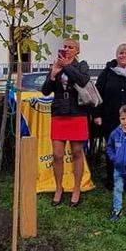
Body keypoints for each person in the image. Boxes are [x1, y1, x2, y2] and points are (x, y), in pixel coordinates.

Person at [40, 39, 91, 207]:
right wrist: (53, 74)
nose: (67, 49)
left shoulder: (81, 65)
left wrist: (66, 66)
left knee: (77, 152)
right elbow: (46, 91)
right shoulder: (57, 65)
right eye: (65, 47)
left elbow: (82, 80)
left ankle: (76, 189)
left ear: (77, 51)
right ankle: (58, 188)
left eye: (71, 47)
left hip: (77, 113)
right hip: (59, 113)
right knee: (57, 154)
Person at [94, 44, 126, 189]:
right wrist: (97, 114)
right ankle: (112, 180)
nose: (124, 56)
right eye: (121, 53)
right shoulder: (107, 73)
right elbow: (97, 95)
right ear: (116, 55)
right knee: (113, 148)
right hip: (111, 118)